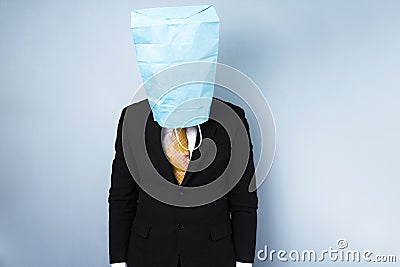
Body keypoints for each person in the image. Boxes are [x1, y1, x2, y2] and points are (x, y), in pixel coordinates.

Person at [108, 97, 258, 267]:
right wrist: (118, 262)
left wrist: (244, 263)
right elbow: (122, 197)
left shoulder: (231, 118)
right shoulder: (133, 117)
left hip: (213, 254)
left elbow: (244, 200)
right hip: (147, 254)